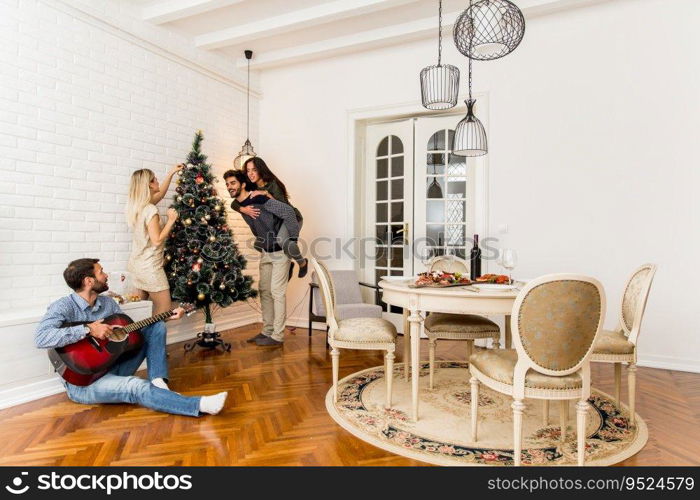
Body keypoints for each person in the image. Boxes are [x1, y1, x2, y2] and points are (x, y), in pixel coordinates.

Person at [35, 258, 227, 416]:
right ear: (89, 281)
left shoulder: (108, 303)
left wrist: (170, 314)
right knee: (136, 386)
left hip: (112, 365)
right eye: (101, 272)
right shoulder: (63, 306)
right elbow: (41, 338)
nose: (106, 275)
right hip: (84, 383)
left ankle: (158, 382)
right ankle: (199, 405)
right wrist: (88, 329)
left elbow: (128, 335)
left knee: (156, 326)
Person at [224, 170, 300, 347]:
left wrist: (292, 241)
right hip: (265, 251)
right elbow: (234, 204)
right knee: (264, 290)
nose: (229, 187)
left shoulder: (259, 199)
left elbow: (289, 212)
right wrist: (242, 208)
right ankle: (267, 331)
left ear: (243, 184)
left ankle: (278, 336)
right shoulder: (239, 204)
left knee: (277, 292)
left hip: (281, 250)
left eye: (233, 183)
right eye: (227, 184)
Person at [231, 157, 308, 278]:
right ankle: (288, 264)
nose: (250, 173)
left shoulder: (273, 184)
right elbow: (235, 202)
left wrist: (265, 193)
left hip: (291, 218)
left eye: (254, 170)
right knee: (258, 244)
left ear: (260, 170)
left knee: (283, 241)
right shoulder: (251, 187)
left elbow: (284, 208)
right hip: (276, 222)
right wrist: (243, 209)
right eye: (248, 170)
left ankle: (302, 263)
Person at [125, 167, 181, 315]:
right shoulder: (150, 210)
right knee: (164, 311)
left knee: (137, 314)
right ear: (149, 184)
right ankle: (152, 337)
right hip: (150, 269)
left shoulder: (137, 206)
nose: (157, 181)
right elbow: (156, 241)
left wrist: (171, 173)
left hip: (137, 266)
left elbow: (160, 194)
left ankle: (136, 338)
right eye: (155, 179)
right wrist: (171, 220)